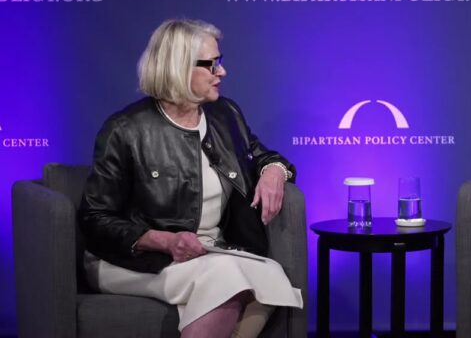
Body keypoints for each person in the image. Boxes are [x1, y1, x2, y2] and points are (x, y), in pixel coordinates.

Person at [79, 19, 303, 338]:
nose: (222, 72)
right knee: (228, 278)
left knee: (270, 274)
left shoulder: (226, 115)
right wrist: (165, 240)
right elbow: (95, 218)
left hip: (210, 254)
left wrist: (274, 172)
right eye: (212, 64)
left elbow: (264, 155)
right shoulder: (125, 130)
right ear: (179, 66)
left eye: (220, 61)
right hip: (137, 260)